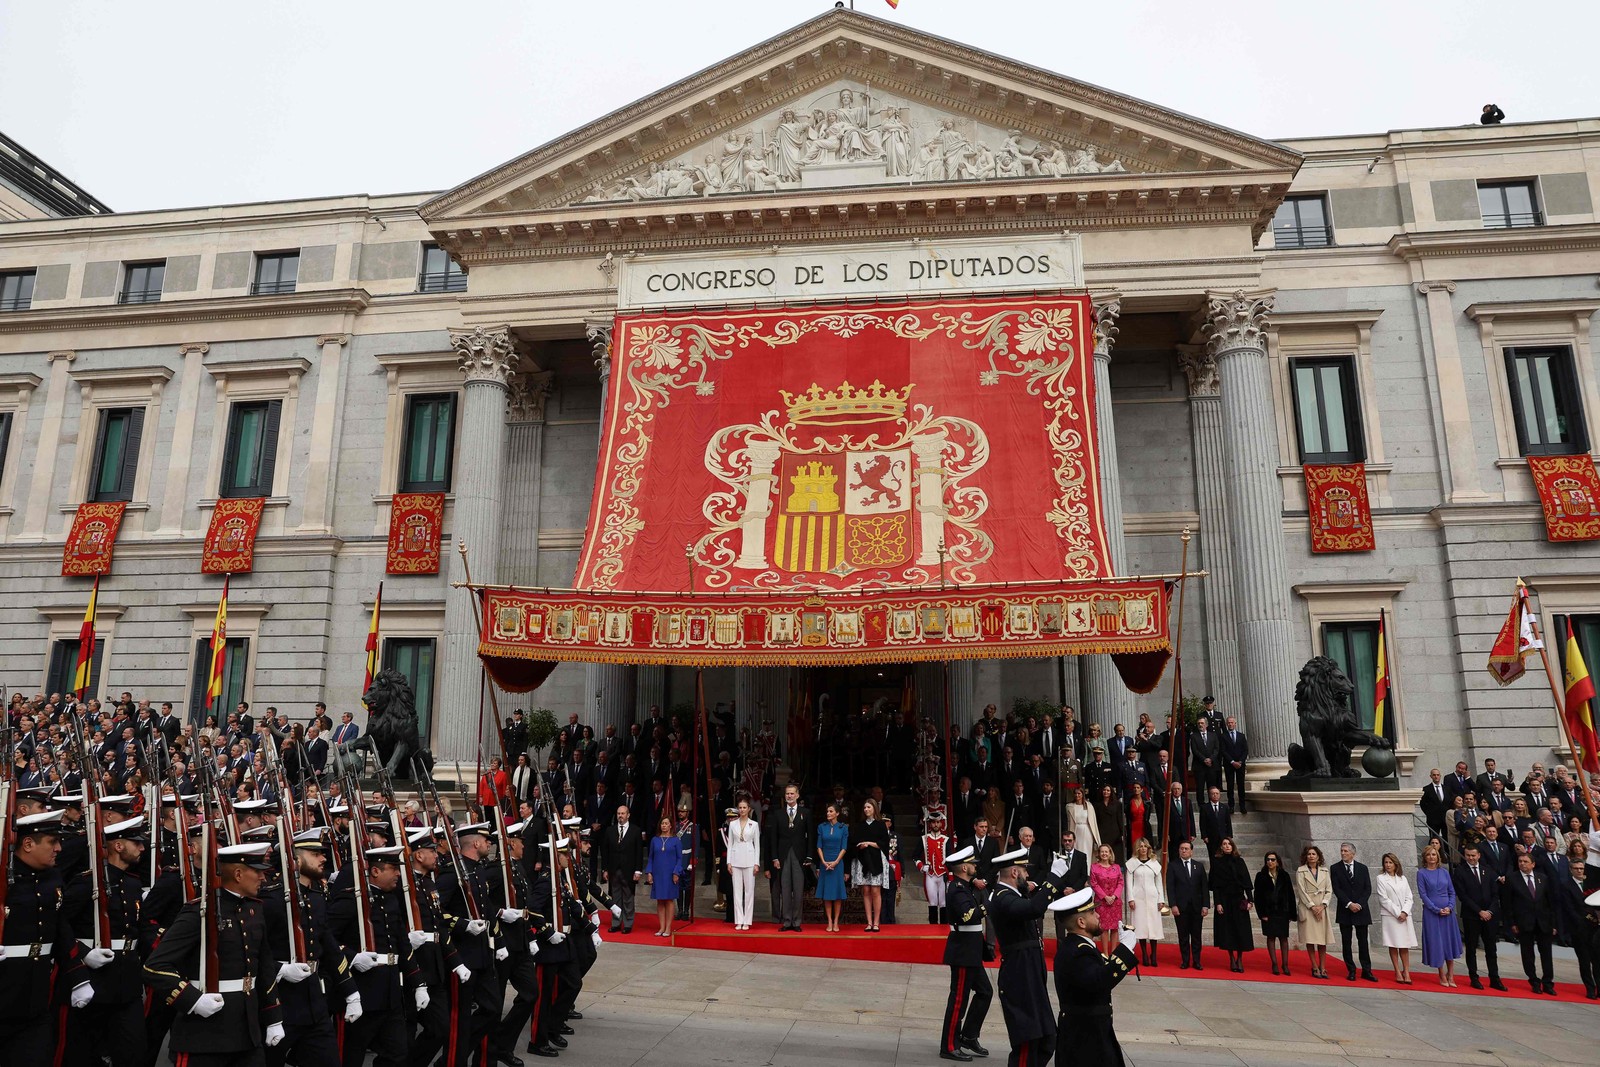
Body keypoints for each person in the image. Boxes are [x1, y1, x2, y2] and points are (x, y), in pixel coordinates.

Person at [144, 842, 287, 1065]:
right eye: (258, 872)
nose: (264, 878)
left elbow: (264, 967)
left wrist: (273, 1017)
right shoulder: (199, 912)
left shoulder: (255, 909)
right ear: (238, 874)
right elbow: (155, 967)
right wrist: (192, 999)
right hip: (204, 1036)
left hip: (247, 1033)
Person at [988, 846, 1067, 1067]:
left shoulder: (1013, 895)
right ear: (1014, 873)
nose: (1028, 875)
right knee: (1028, 1041)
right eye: (1024, 870)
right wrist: (1054, 877)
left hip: (1029, 971)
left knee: (1046, 1038)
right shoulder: (1003, 897)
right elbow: (1033, 908)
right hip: (1019, 973)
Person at [0, 810, 69, 1062]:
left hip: (35, 998)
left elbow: (60, 929)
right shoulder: (3, 876)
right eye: (52, 842)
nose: (59, 848)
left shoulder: (52, 877)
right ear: (28, 844)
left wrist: (78, 973)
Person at [1049, 886, 1138, 1067]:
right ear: (1081, 922)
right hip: (1084, 1037)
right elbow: (1100, 981)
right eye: (1092, 912)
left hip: (1089, 1030)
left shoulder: (1079, 946)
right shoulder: (1078, 951)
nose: (1098, 915)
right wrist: (1125, 949)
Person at [938, 845, 991, 1062]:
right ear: (963, 867)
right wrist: (989, 904)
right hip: (962, 951)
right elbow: (969, 916)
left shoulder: (965, 886)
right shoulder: (957, 888)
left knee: (985, 992)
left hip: (971, 949)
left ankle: (968, 1035)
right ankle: (949, 1045)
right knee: (959, 999)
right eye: (972, 864)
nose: (974, 867)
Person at [1453, 843, 1507, 990]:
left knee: (1491, 949)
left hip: (1490, 916)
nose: (1470, 858)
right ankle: (1474, 977)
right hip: (1472, 915)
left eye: (1473, 855)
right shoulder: (1460, 871)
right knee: (1471, 947)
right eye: (1468, 855)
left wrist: (1489, 911)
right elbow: (1463, 895)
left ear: (1478, 856)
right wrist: (1479, 911)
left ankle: (1494, 978)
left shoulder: (1487, 871)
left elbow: (1495, 894)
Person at [1504, 850, 1556, 995]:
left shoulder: (1543, 878)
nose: (1522, 864)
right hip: (1524, 922)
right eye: (1520, 861)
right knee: (1527, 954)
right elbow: (1507, 904)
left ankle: (1548, 982)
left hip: (1543, 922)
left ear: (1533, 864)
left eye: (1525, 861)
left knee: (1546, 954)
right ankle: (1534, 981)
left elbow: (1550, 902)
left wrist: (1553, 924)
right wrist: (1512, 923)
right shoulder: (1512, 878)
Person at [766, 784, 812, 932]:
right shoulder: (778, 814)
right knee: (785, 889)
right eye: (787, 794)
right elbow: (773, 838)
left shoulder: (806, 812)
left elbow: (811, 837)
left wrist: (810, 856)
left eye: (792, 794)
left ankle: (797, 921)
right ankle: (786, 921)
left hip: (799, 855)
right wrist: (774, 857)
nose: (789, 796)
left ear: (798, 795)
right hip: (783, 854)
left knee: (798, 889)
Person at [1415, 844, 1462, 987]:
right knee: (1437, 943)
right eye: (1429, 855)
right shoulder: (1421, 873)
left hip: (1448, 913)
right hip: (1432, 914)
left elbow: (1452, 892)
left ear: (1438, 857)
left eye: (1434, 854)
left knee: (1449, 942)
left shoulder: (1444, 872)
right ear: (1425, 857)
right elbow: (1423, 895)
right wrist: (1436, 909)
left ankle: (1451, 975)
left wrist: (1450, 907)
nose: (1431, 857)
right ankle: (1441, 974)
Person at [1331, 842, 1377, 982]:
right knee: (1346, 942)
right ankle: (1351, 969)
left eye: (1346, 851)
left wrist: (1359, 904)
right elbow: (1337, 889)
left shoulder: (1362, 868)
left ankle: (1366, 970)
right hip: (1345, 910)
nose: (1343, 853)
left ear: (1353, 853)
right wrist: (1349, 904)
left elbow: (1367, 889)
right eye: (1342, 850)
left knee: (1363, 941)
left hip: (1361, 910)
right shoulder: (1335, 868)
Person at [1210, 836, 1254, 972]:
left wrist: (1250, 900)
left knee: (1240, 929)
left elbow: (1247, 882)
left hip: (1239, 899)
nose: (1227, 846)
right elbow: (1215, 886)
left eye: (1229, 844)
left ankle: (1240, 958)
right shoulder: (1216, 862)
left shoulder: (1239, 861)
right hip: (1224, 900)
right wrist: (1217, 903)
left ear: (1233, 846)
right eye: (1224, 844)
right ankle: (1231, 958)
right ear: (1221, 847)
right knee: (1227, 929)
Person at [1371, 852, 1416, 984]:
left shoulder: (1403, 878)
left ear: (1396, 864)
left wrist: (1404, 912)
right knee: (1393, 943)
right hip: (1391, 915)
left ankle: (1406, 971)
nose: (1388, 865)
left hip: (1405, 915)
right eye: (1386, 862)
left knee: (1404, 945)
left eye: (1390, 862)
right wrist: (1398, 913)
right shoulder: (1381, 878)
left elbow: (1409, 897)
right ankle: (1397, 971)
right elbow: (1383, 899)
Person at [603, 803, 645, 934]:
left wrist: (638, 870)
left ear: (628, 815)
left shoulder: (635, 830)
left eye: (623, 813)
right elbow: (605, 851)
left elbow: (639, 852)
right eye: (618, 814)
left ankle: (628, 924)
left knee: (628, 897)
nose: (620, 816)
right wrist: (605, 869)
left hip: (629, 870)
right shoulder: (610, 830)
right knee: (615, 898)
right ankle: (616, 923)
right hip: (614, 869)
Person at [1124, 837, 1165, 966]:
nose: (1143, 849)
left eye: (1145, 846)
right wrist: (1130, 899)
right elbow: (1129, 884)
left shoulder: (1154, 863)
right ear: (1137, 848)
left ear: (1148, 848)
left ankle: (1154, 955)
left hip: (1153, 898)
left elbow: (1159, 883)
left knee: (1153, 927)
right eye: (1140, 846)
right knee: (1141, 926)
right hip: (1138, 898)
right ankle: (1144, 954)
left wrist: (1161, 899)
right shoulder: (1132, 863)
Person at [1167, 840, 1208, 970]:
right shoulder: (1173, 866)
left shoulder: (1199, 866)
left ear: (1191, 851)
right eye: (1181, 848)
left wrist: (1205, 905)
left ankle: (1197, 961)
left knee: (1196, 936)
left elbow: (1204, 888)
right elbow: (1170, 887)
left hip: (1196, 907)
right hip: (1181, 907)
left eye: (1186, 849)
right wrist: (1173, 905)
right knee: (1183, 936)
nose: (1183, 851)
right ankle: (1185, 960)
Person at [852, 798, 891, 931]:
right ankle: (869, 922)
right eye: (865, 808)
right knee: (866, 890)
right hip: (863, 861)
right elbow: (855, 841)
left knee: (875, 890)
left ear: (874, 808)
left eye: (869, 807)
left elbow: (884, 843)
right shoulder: (861, 825)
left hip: (876, 860)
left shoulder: (880, 824)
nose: (866, 810)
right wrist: (861, 845)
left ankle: (876, 922)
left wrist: (869, 843)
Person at [1294, 844, 1333, 979]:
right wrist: (1312, 906)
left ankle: (1323, 966)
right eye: (1309, 854)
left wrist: (1322, 905)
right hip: (1308, 907)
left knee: (1322, 940)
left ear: (1318, 857)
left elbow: (1329, 890)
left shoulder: (1325, 871)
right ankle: (1314, 966)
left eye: (1313, 854)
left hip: (1322, 908)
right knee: (1310, 939)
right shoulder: (1301, 871)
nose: (1311, 856)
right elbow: (1301, 890)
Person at [1253, 850, 1294, 976]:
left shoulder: (1284, 875)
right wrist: (1261, 914)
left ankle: (1285, 964)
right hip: (1268, 912)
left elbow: (1290, 894)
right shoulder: (1261, 876)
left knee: (1283, 938)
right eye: (1268, 860)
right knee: (1271, 937)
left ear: (1277, 861)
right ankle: (1274, 963)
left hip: (1282, 911)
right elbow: (1257, 897)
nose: (1270, 862)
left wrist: (1291, 913)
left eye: (1272, 860)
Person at [725, 797, 760, 930]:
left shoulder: (754, 824)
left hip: (750, 859)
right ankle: (739, 919)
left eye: (744, 807)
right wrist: (729, 862)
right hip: (735, 859)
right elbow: (730, 844)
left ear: (749, 809)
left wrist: (757, 863)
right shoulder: (732, 824)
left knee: (749, 891)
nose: (742, 810)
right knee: (737, 892)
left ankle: (747, 920)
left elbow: (757, 844)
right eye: (740, 807)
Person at [644, 814, 683, 936]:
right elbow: (650, 858)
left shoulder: (676, 840)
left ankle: (668, 928)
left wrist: (677, 872)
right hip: (658, 873)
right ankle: (661, 927)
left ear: (671, 825)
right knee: (660, 900)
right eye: (662, 823)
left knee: (669, 900)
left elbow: (680, 859)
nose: (664, 825)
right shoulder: (655, 840)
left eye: (666, 823)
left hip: (670, 874)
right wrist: (649, 872)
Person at [815, 803, 849, 931]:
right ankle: (829, 921)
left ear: (837, 813)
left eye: (831, 811)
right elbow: (819, 846)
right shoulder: (821, 827)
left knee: (837, 894)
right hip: (824, 863)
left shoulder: (843, 828)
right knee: (827, 894)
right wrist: (823, 861)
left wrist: (835, 862)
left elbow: (844, 847)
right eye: (827, 811)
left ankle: (836, 922)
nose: (828, 813)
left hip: (837, 863)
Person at [1089, 843, 1124, 956]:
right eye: (1102, 852)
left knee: (1114, 928)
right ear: (1099, 854)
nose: (1104, 854)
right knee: (1103, 928)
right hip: (1101, 902)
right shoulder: (1094, 867)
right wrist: (1105, 897)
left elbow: (1120, 882)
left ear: (1110, 854)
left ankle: (1113, 952)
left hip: (1115, 902)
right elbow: (1094, 884)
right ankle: (1105, 953)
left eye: (1106, 852)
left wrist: (1114, 896)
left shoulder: (1117, 867)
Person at [1220, 716, 1249, 813]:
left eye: (1232, 722)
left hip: (1240, 764)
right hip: (1229, 764)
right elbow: (1223, 751)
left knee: (1241, 785)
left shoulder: (1241, 736)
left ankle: (1242, 805)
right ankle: (1231, 805)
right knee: (1230, 785)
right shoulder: (1223, 736)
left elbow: (1245, 750)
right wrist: (1232, 761)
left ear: (1235, 723)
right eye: (1228, 723)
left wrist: (1240, 761)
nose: (1230, 724)